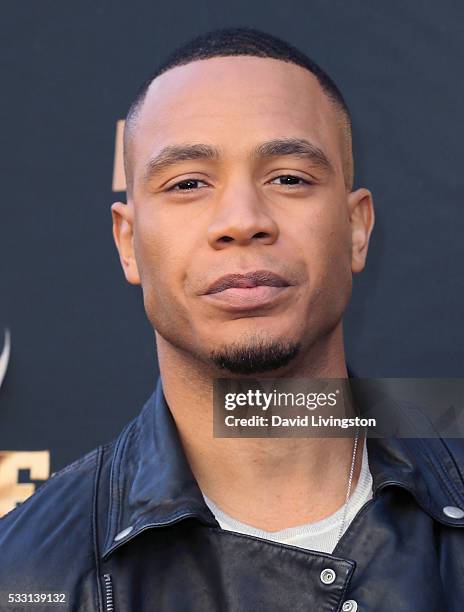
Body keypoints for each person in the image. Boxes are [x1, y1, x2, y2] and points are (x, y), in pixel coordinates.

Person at [1, 26, 463, 612]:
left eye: (289, 178)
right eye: (188, 183)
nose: (242, 220)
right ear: (127, 241)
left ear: (356, 229)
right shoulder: (22, 576)